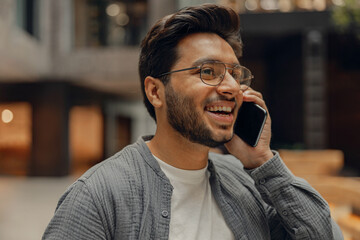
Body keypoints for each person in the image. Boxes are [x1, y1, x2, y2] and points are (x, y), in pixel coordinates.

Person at [43, 4, 343, 240]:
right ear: (155, 91)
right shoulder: (97, 197)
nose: (230, 88)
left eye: (234, 74)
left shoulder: (245, 182)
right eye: (208, 72)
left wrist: (262, 161)